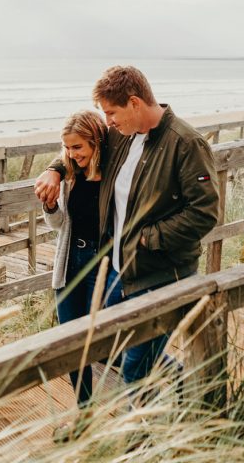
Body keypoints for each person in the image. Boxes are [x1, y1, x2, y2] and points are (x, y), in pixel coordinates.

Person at [35, 65, 219, 389]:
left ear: (134, 103)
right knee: (114, 349)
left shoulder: (186, 143)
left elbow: (205, 213)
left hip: (161, 272)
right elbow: (78, 146)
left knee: (135, 369)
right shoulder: (122, 137)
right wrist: (54, 170)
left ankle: (143, 436)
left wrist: (148, 239)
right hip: (121, 273)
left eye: (111, 112)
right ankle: (174, 389)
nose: (108, 122)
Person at [43, 110, 107, 412]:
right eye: (67, 147)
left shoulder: (113, 171)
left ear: (95, 141)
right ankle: (85, 411)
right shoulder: (68, 173)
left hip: (104, 263)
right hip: (70, 262)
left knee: (110, 340)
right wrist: (51, 206)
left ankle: (170, 373)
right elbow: (58, 225)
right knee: (72, 342)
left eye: (78, 146)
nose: (71, 153)